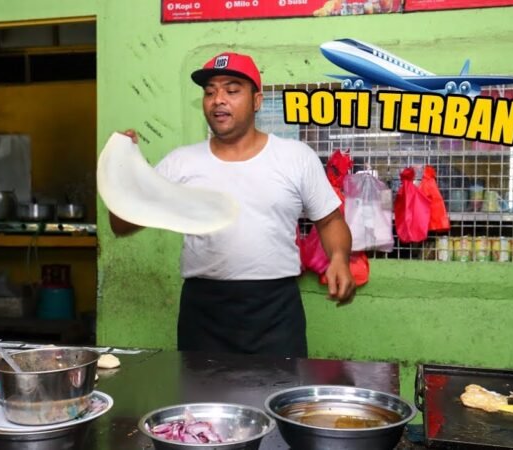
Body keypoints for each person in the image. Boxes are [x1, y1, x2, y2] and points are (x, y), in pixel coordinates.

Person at [109, 51, 356, 358]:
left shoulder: (295, 157)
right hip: (204, 311)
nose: (218, 99)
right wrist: (123, 171)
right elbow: (121, 224)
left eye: (232, 90)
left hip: (275, 310)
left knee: (276, 401)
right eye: (210, 91)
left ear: (257, 101)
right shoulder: (181, 163)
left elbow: (330, 221)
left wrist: (339, 258)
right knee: (202, 404)